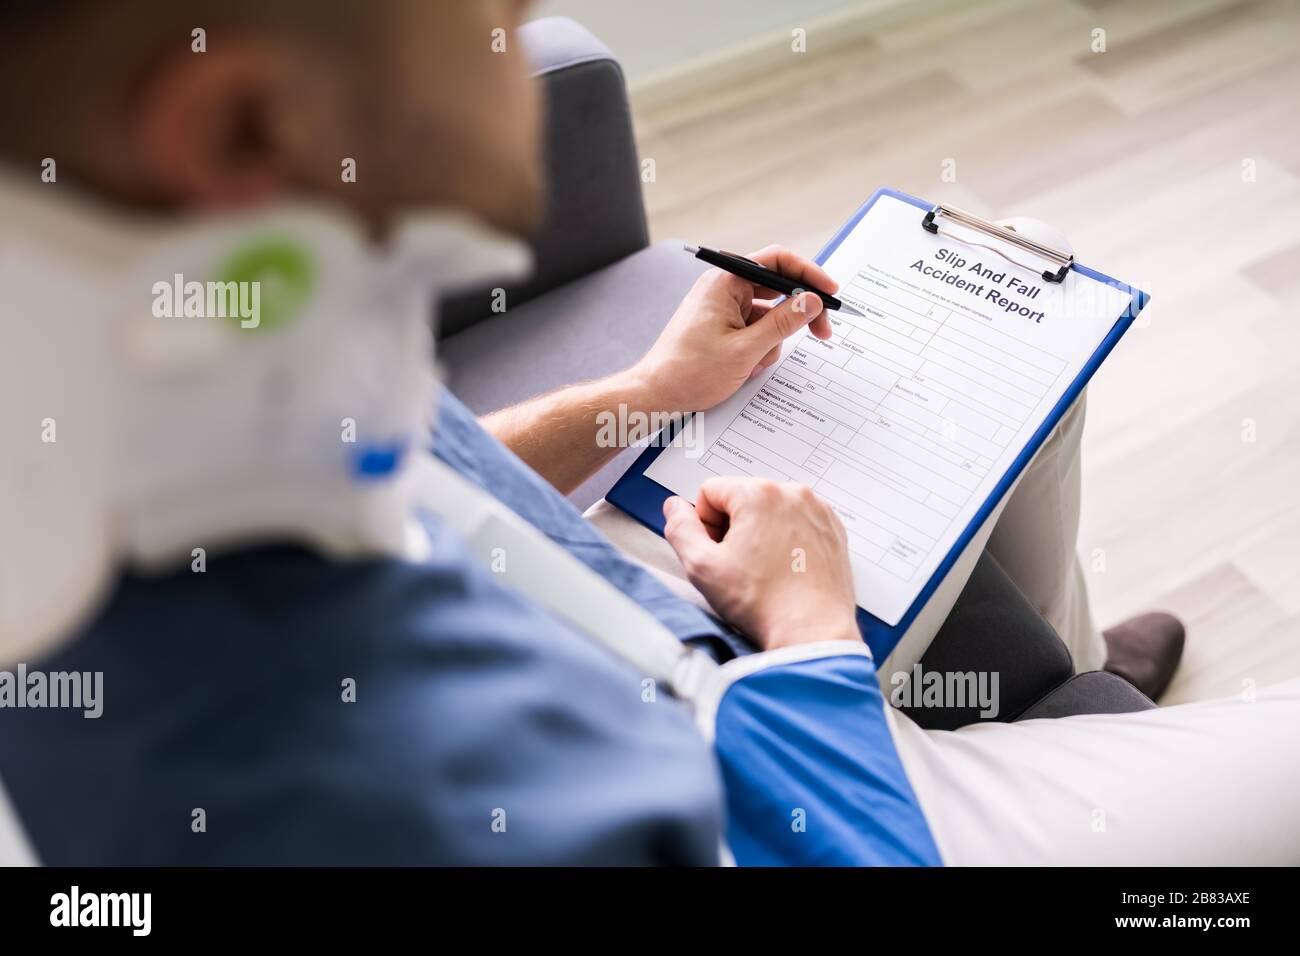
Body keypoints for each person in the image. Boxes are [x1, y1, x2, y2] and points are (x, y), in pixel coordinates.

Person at [0, 0, 1296, 866]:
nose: (528, 39)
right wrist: (809, 639)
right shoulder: (371, 800)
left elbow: (422, 493)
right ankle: (1055, 741)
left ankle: (1061, 694)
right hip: (829, 795)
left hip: (687, 657)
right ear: (243, 122)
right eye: (495, 17)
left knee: (1025, 364)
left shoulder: (182, 358)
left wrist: (653, 390)